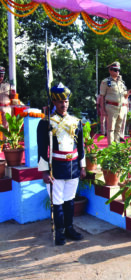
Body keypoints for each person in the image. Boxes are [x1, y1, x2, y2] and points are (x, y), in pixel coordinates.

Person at [37, 83, 86, 246]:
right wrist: (44, 172)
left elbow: (81, 147)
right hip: (56, 167)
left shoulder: (76, 121)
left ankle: (69, 228)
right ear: (54, 102)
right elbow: (42, 149)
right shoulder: (46, 123)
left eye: (65, 101)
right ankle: (60, 232)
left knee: (69, 200)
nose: (63, 104)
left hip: (73, 167)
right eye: (59, 101)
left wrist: (83, 166)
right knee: (57, 201)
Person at [99, 62, 131, 145]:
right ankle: (111, 146)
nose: (117, 72)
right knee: (111, 128)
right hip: (111, 107)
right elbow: (102, 97)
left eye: (118, 70)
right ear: (110, 71)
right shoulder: (105, 82)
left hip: (121, 108)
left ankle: (117, 145)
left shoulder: (121, 82)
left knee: (118, 128)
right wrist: (102, 110)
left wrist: (128, 93)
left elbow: (124, 96)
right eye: (115, 70)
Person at [0, 66, 16, 134]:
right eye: (0, 75)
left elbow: (11, 97)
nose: (1, 77)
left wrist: (13, 95)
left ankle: (5, 142)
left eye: (2, 75)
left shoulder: (8, 85)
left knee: (6, 125)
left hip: (6, 107)